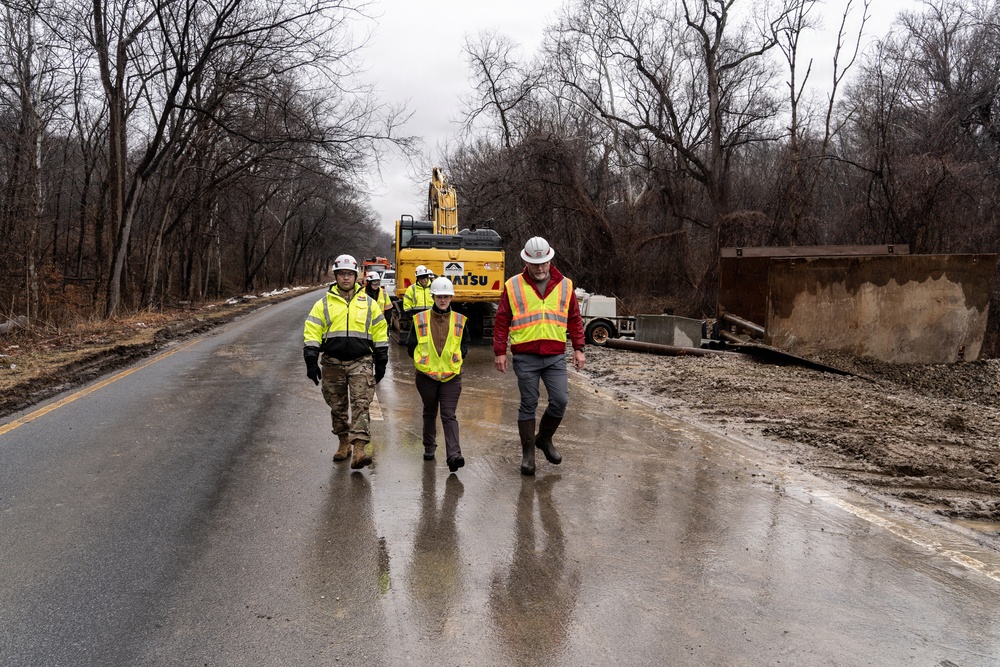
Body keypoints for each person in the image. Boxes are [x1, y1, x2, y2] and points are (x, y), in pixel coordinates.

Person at [493, 237, 585, 476]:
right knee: (528, 404)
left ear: (549, 259)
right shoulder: (513, 285)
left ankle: (544, 439)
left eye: (544, 262)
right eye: (536, 264)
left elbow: (574, 318)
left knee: (560, 400)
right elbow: (502, 319)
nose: (541, 268)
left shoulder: (565, 285)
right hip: (525, 356)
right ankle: (528, 455)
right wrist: (500, 351)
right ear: (526, 262)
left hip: (554, 356)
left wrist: (579, 348)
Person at [303, 254, 389, 469]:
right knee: (337, 406)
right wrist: (311, 359)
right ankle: (343, 442)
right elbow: (312, 330)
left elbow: (380, 331)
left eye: (349, 274)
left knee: (361, 404)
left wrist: (382, 359)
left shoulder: (369, 304)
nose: (346, 278)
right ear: (336, 276)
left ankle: (359, 450)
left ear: (356, 276)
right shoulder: (323, 304)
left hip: (361, 360)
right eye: (342, 274)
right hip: (332, 362)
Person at [407, 276, 471, 473]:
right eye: (439, 296)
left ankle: (454, 455)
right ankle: (429, 447)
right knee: (429, 411)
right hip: (427, 377)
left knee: (448, 415)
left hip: (452, 376)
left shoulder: (460, 320)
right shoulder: (420, 319)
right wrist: (424, 363)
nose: (443, 300)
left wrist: (455, 360)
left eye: (447, 296)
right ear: (433, 296)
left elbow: (465, 344)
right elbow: (411, 345)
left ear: (451, 298)